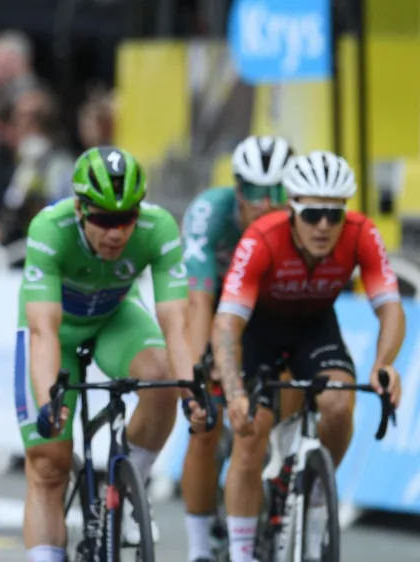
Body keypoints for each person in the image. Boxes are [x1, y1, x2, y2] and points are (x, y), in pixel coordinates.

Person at [16, 146, 208, 562]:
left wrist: (192, 386)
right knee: (48, 465)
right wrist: (50, 399)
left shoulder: (157, 229)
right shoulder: (50, 228)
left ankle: (124, 488)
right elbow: (43, 330)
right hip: (57, 334)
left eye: (126, 219)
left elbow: (176, 323)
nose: (117, 233)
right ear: (81, 209)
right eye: (104, 220)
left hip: (113, 319)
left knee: (162, 381)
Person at [212, 150, 404, 562]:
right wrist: (233, 391)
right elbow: (227, 324)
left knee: (338, 404)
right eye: (313, 213)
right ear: (292, 208)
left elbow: (390, 307)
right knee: (251, 434)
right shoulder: (262, 237)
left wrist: (384, 363)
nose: (323, 225)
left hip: (314, 328)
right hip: (259, 330)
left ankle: (316, 494)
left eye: (334, 216)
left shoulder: (361, 234)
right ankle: (243, 552)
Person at [179, 135, 295, 562]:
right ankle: (198, 551)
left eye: (277, 192)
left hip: (267, 314)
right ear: (237, 190)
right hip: (213, 307)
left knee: (284, 394)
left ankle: (284, 473)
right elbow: (197, 303)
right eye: (253, 192)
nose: (265, 204)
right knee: (204, 426)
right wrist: (195, 374)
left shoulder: (303, 220)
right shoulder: (211, 213)